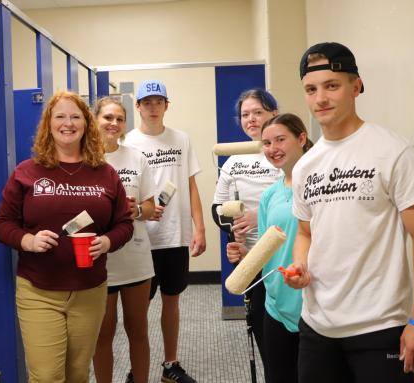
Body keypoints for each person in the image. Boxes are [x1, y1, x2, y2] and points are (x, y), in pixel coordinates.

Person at [286, 42, 414, 382]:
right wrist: (300, 263)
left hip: (379, 327)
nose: (320, 99)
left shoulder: (393, 151)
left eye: (332, 86)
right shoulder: (305, 166)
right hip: (316, 326)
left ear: (355, 86)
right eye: (311, 90)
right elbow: (305, 232)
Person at [0, 91, 134, 383]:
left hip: (90, 290)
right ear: (48, 124)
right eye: (60, 116)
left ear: (86, 124)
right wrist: (27, 241)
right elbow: (3, 225)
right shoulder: (26, 172)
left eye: (75, 116)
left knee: (78, 374)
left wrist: (107, 242)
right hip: (39, 290)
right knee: (46, 376)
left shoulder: (105, 174)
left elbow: (124, 224)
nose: (67, 123)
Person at [123, 79, 206, 383]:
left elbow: (191, 185)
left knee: (172, 299)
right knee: (138, 308)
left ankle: (171, 365)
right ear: (138, 106)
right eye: (147, 102)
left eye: (159, 102)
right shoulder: (128, 143)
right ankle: (137, 365)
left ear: (166, 106)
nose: (153, 108)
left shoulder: (181, 139)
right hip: (140, 237)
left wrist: (200, 228)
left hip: (174, 235)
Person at [228, 113, 312, 383]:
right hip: (276, 307)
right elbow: (267, 250)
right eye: (266, 143)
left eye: (280, 140)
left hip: (313, 306)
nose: (273, 149)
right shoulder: (270, 196)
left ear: (301, 138)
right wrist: (245, 257)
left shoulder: (317, 186)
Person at [212, 89, 282, 371]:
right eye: (245, 114)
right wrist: (234, 229)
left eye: (258, 112)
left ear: (273, 114)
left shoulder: (282, 154)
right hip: (251, 259)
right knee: (265, 336)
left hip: (284, 257)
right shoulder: (234, 161)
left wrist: (259, 217)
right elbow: (218, 209)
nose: (251, 119)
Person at [93, 97, 156, 383]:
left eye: (119, 119)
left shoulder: (136, 157)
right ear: (95, 120)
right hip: (99, 260)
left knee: (138, 330)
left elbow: (151, 207)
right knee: (103, 333)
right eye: (107, 117)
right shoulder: (85, 159)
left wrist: (137, 210)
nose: (113, 124)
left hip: (136, 258)